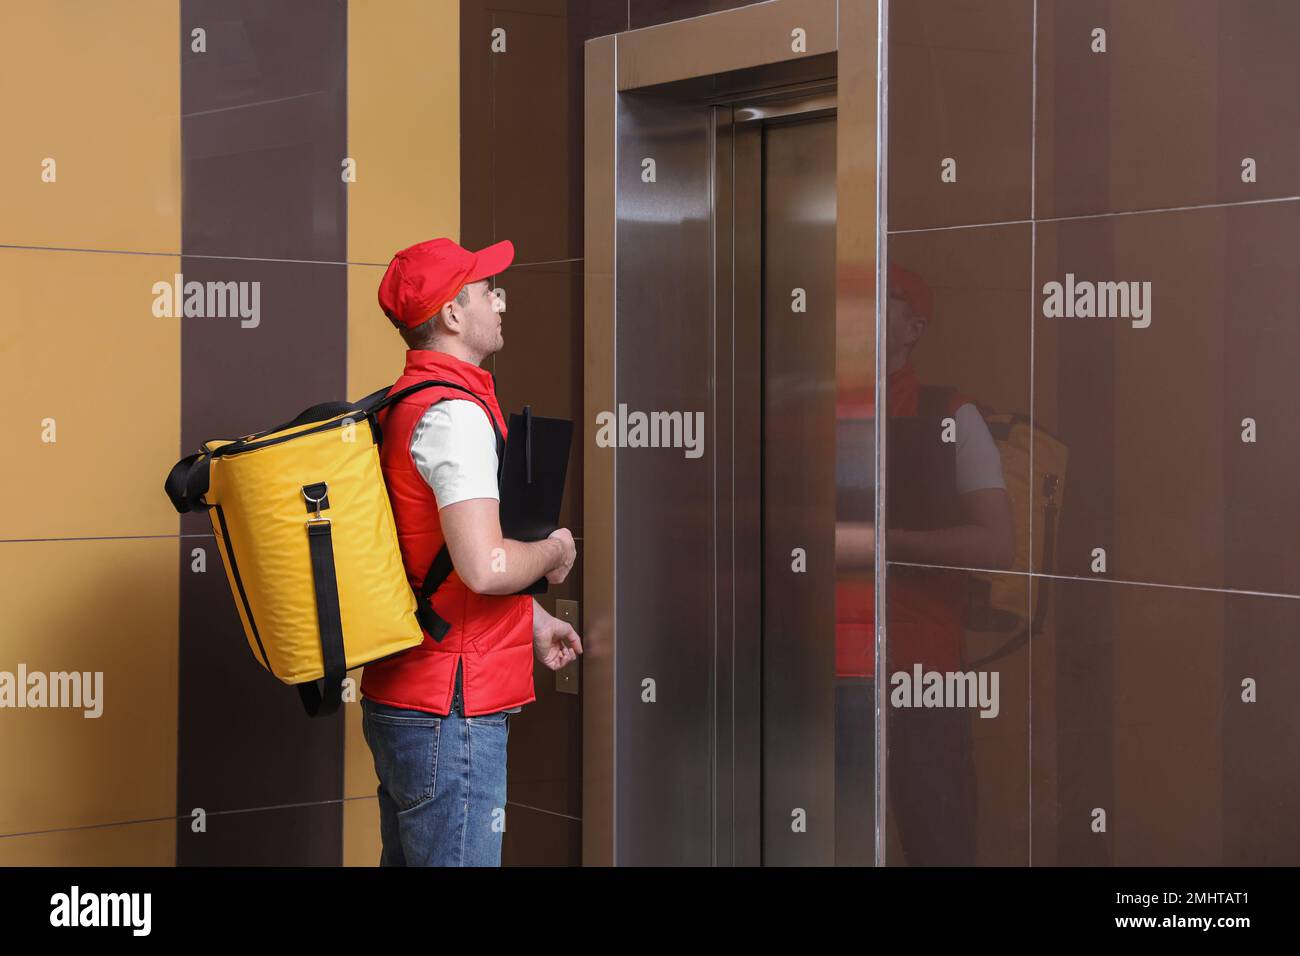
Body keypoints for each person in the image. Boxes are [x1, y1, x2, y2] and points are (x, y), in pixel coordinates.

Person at [359, 237, 583, 866]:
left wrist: (532, 620)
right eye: (490, 291)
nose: (501, 302)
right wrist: (554, 551)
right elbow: (484, 568)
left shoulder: (409, 404)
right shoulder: (454, 417)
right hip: (451, 711)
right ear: (454, 315)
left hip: (411, 696)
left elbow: (428, 559)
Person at [834, 264, 1014, 865]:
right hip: (826, 662)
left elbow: (996, 545)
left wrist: (883, 545)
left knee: (938, 833)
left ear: (915, 328)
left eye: (878, 303)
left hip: (925, 665)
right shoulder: (815, 413)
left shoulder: (953, 414)